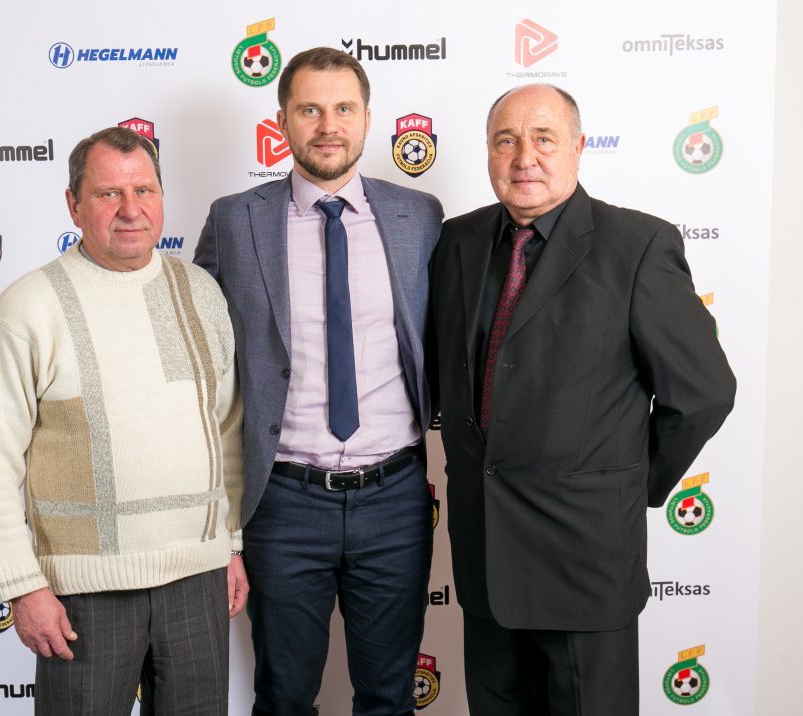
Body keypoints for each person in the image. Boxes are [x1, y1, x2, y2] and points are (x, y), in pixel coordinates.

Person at [429, 84, 736, 714]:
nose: (524, 158)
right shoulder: (456, 243)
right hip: (486, 559)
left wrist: (626, 483)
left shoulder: (638, 246)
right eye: (505, 140)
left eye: (544, 138)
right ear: (488, 152)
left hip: (586, 558)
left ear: (578, 147)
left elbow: (703, 393)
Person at [195, 47, 443, 715]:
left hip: (393, 499)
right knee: (282, 696)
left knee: (389, 696)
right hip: (282, 503)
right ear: (282, 121)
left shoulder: (420, 217)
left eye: (343, 109)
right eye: (310, 109)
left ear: (367, 120)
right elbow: (199, 360)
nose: (327, 125)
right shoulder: (233, 220)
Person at [0, 126, 247, 715]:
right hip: (82, 596)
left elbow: (226, 430)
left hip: (197, 580)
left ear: (162, 198)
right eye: (107, 194)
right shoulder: (29, 307)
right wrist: (22, 585)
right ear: (73, 204)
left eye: (143, 190)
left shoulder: (200, 293)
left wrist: (232, 544)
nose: (130, 210)